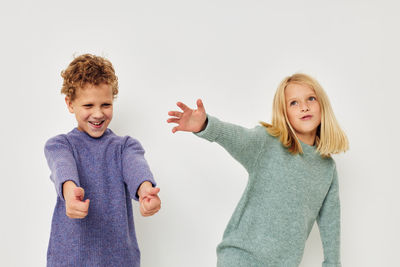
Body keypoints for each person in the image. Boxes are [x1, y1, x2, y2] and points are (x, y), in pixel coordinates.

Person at [167, 73, 348, 267]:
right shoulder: (268, 143)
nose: (304, 106)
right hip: (239, 258)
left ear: (323, 105)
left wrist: (333, 263)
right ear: (284, 112)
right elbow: (237, 138)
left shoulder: (327, 169)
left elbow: (331, 222)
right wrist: (205, 125)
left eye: (311, 99)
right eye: (293, 103)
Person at [44, 54, 161, 267]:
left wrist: (145, 190)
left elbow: (136, 167)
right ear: (70, 104)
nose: (98, 114)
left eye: (105, 104)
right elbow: (62, 167)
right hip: (70, 260)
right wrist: (70, 194)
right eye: (88, 105)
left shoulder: (125, 146)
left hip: (119, 260)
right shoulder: (60, 145)